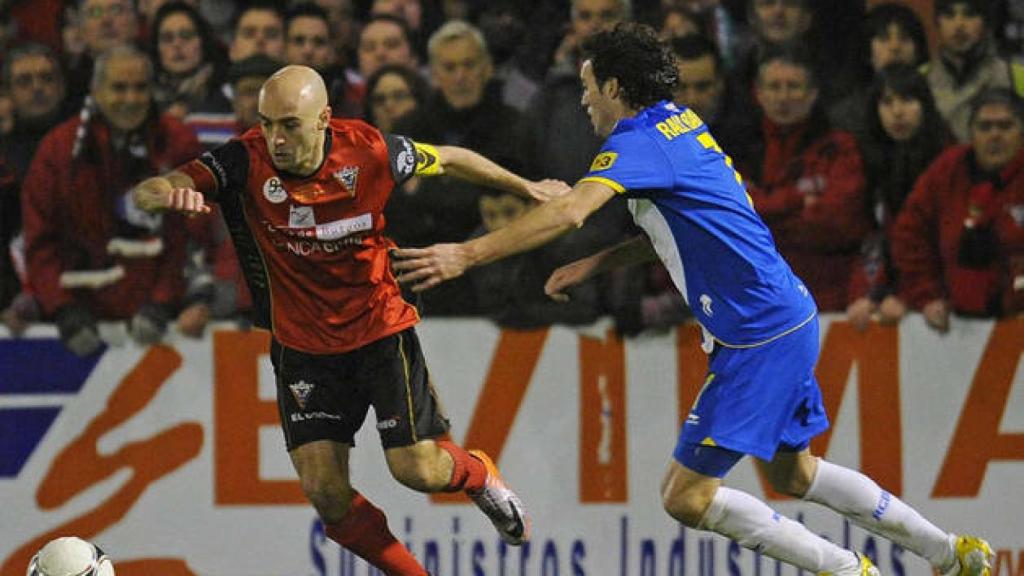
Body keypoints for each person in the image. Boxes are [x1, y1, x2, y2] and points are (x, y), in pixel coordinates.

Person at [393, 23, 994, 576]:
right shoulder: (679, 124)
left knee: (685, 496)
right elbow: (684, 228)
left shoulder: (638, 145)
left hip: (757, 335)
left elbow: (570, 211)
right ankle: (952, 553)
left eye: (588, 87)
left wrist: (465, 254)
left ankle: (848, 571)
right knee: (794, 472)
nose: (584, 100)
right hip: (783, 316)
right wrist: (596, 262)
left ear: (614, 87)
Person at [131, 64, 565, 575]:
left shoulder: (369, 150)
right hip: (302, 346)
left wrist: (526, 187)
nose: (275, 138)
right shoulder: (243, 160)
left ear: (324, 119)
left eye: (290, 124)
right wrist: (169, 193)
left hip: (378, 327)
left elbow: (449, 159)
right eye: (267, 124)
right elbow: (155, 187)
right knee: (325, 491)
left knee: (418, 470)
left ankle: (479, 475)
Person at [20, 44, 202, 355]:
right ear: (96, 91)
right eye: (119, 88)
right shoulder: (59, 150)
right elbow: (40, 241)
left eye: (140, 88)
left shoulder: (177, 143)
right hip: (78, 323)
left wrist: (163, 301)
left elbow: (189, 233)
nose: (131, 99)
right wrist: (62, 308)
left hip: (161, 322)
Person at [890, 88, 1024, 330]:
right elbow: (909, 235)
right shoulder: (947, 170)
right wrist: (926, 295)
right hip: (955, 328)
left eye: (1005, 126)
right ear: (970, 133)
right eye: (985, 127)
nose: (995, 135)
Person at [847, 64, 952, 330]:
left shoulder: (949, 164)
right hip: (896, 293)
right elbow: (874, 237)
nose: (897, 112)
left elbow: (942, 243)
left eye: (907, 100)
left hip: (938, 296)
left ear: (925, 105)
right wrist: (872, 294)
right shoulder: (868, 162)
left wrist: (912, 296)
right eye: (887, 102)